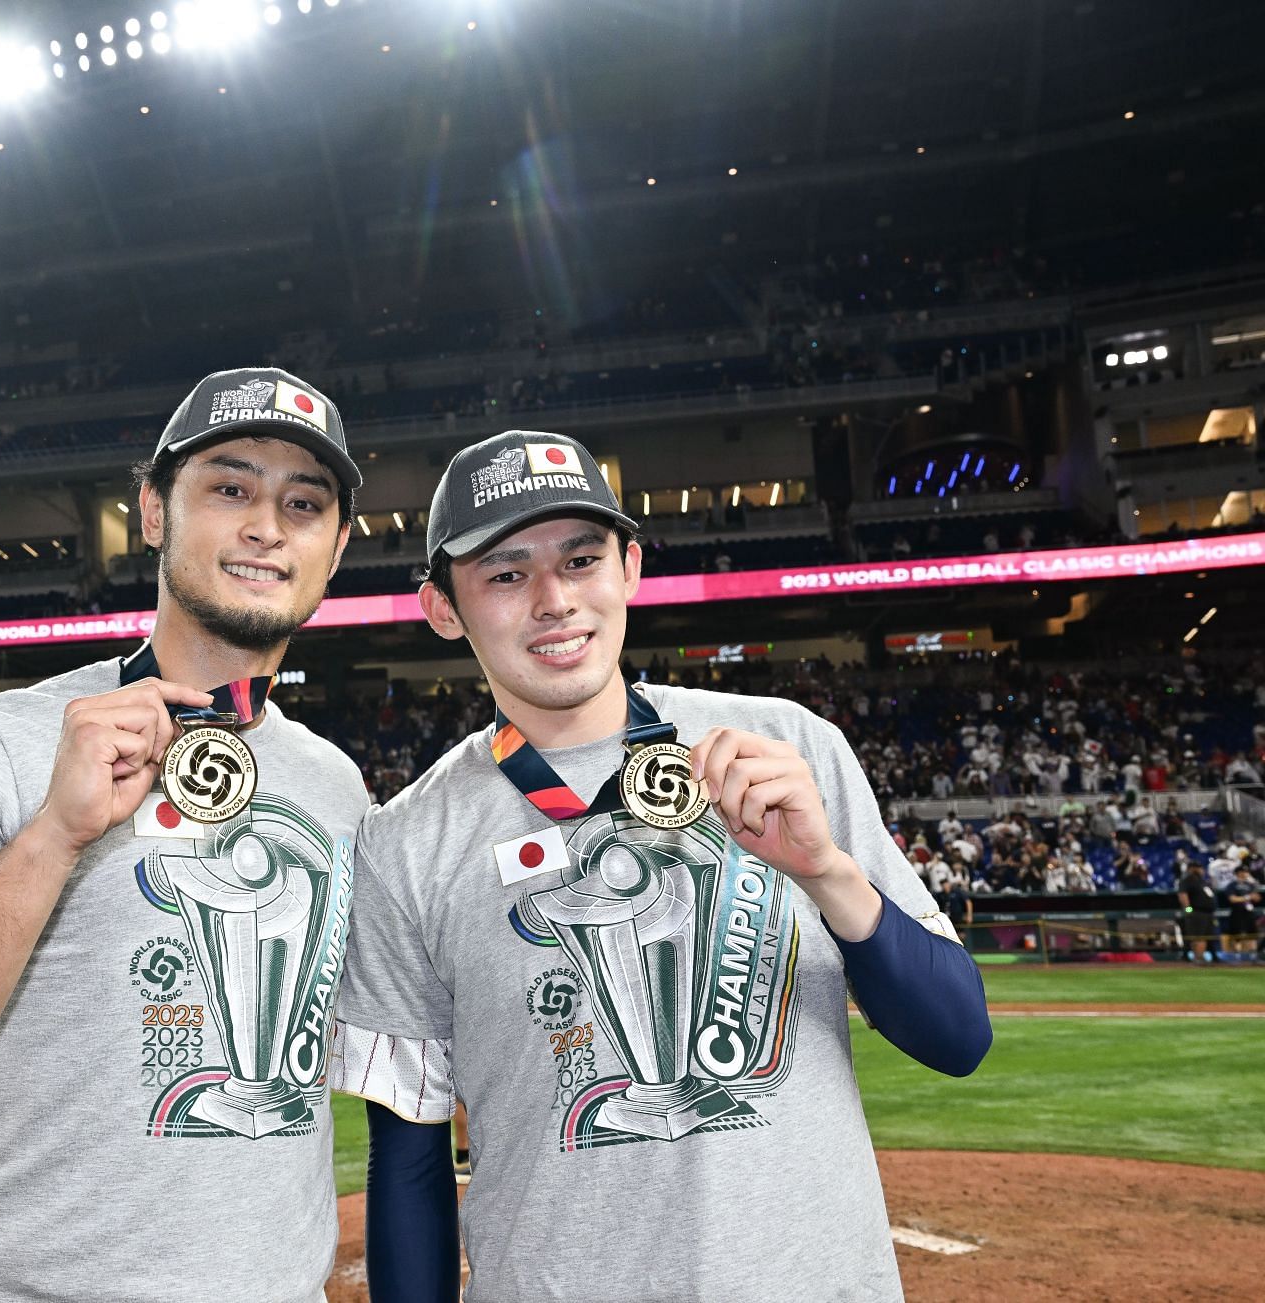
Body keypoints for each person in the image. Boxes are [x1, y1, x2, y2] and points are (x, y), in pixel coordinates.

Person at [330, 430, 992, 1301]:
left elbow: (958, 1038)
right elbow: (410, 1156)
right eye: (505, 572)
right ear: (443, 608)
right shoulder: (404, 841)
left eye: (581, 558)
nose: (554, 599)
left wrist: (829, 873)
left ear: (631, 566)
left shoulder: (788, 747)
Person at [0, 368, 370, 1302]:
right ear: (153, 511)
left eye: (303, 503)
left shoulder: (339, 785)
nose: (267, 527)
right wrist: (53, 837)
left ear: (337, 546)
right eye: (230, 488)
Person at [1178, 863, 1219, 962]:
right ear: (1192, 869)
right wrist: (1189, 910)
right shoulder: (1188, 880)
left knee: (1205, 936)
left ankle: (1201, 957)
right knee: (1198, 936)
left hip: (1207, 913)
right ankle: (1198, 957)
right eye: (1199, 868)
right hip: (1197, 912)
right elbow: (1183, 895)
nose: (1202, 870)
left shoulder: (1202, 881)